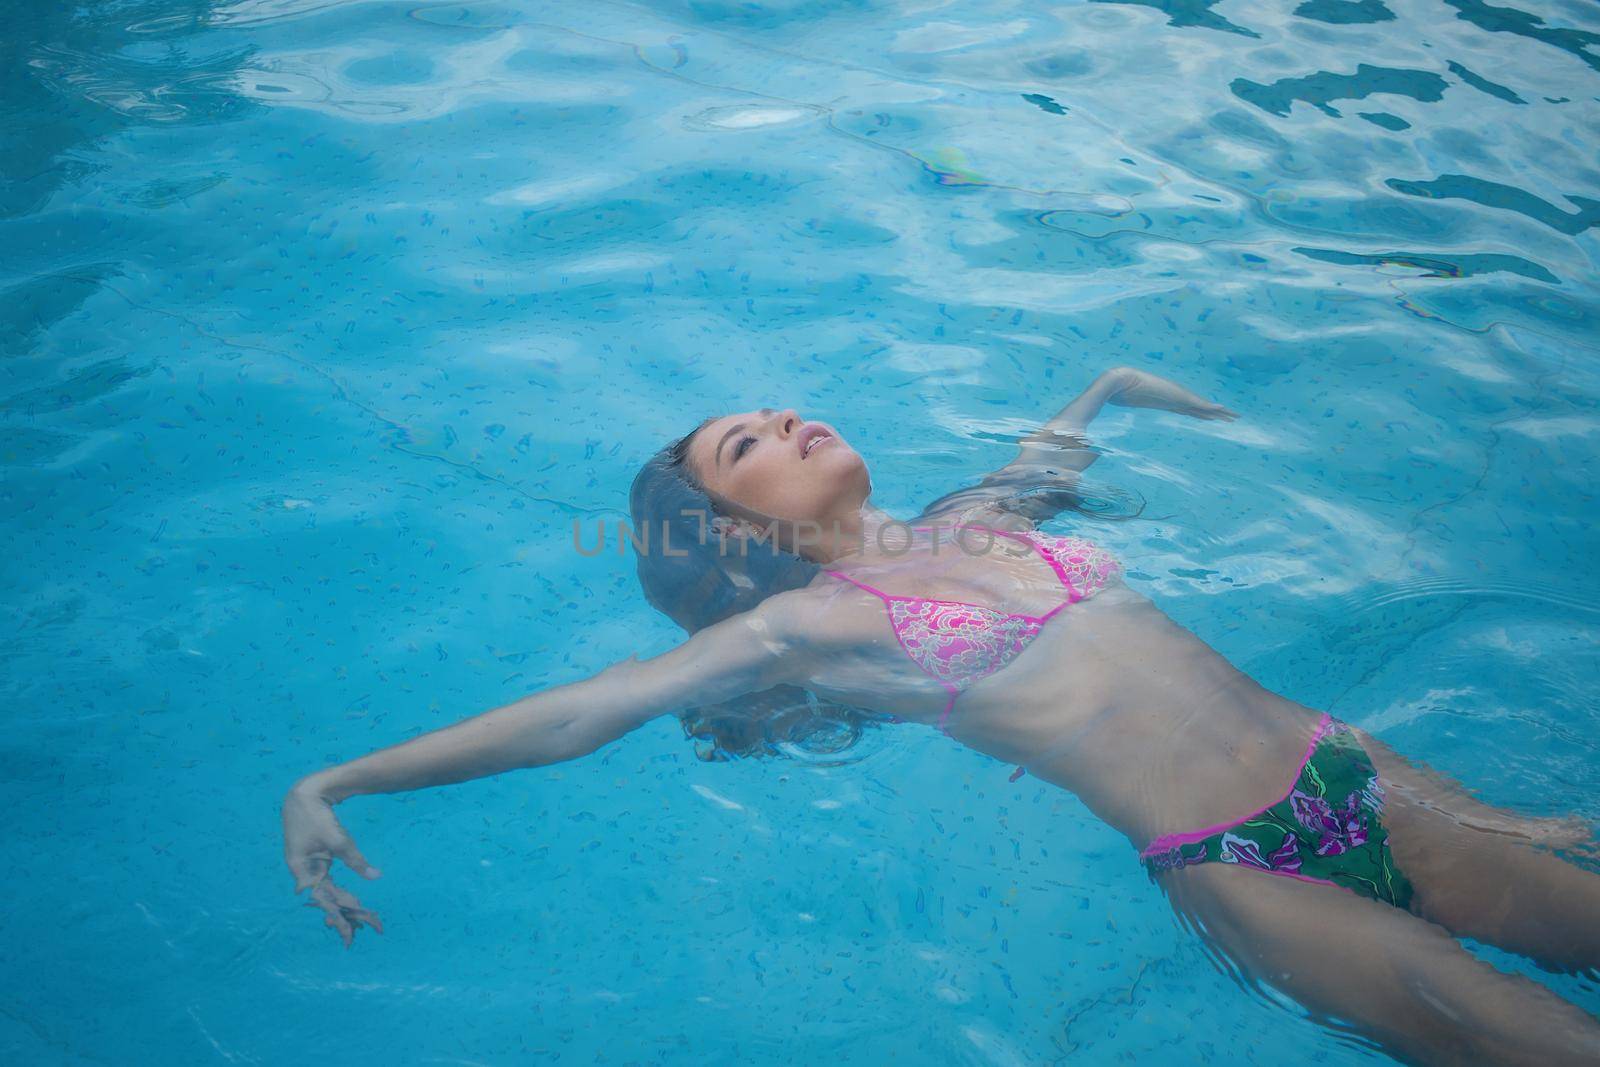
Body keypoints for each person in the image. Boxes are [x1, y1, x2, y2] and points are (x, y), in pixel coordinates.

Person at [282, 366, 1600, 1065]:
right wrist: (334, 781)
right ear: (735, 536)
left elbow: (1045, 460)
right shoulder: (810, 625)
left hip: (1357, 780)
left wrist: (1107, 387)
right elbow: (586, 711)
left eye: (771, 408)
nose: (784, 418)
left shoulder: (978, 523)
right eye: (748, 447)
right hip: (1247, 877)